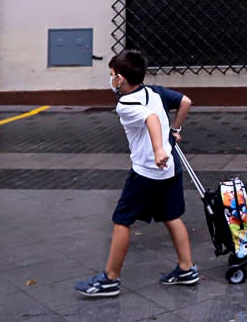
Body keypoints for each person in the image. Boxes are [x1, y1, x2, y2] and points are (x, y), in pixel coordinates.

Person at [75, 50, 198, 297]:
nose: (110, 80)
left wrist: (157, 150)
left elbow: (151, 118)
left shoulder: (126, 104)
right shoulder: (155, 91)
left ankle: (110, 279)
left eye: (111, 75)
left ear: (120, 79)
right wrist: (175, 130)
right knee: (171, 215)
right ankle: (186, 269)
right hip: (170, 169)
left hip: (147, 171)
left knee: (122, 220)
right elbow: (185, 101)